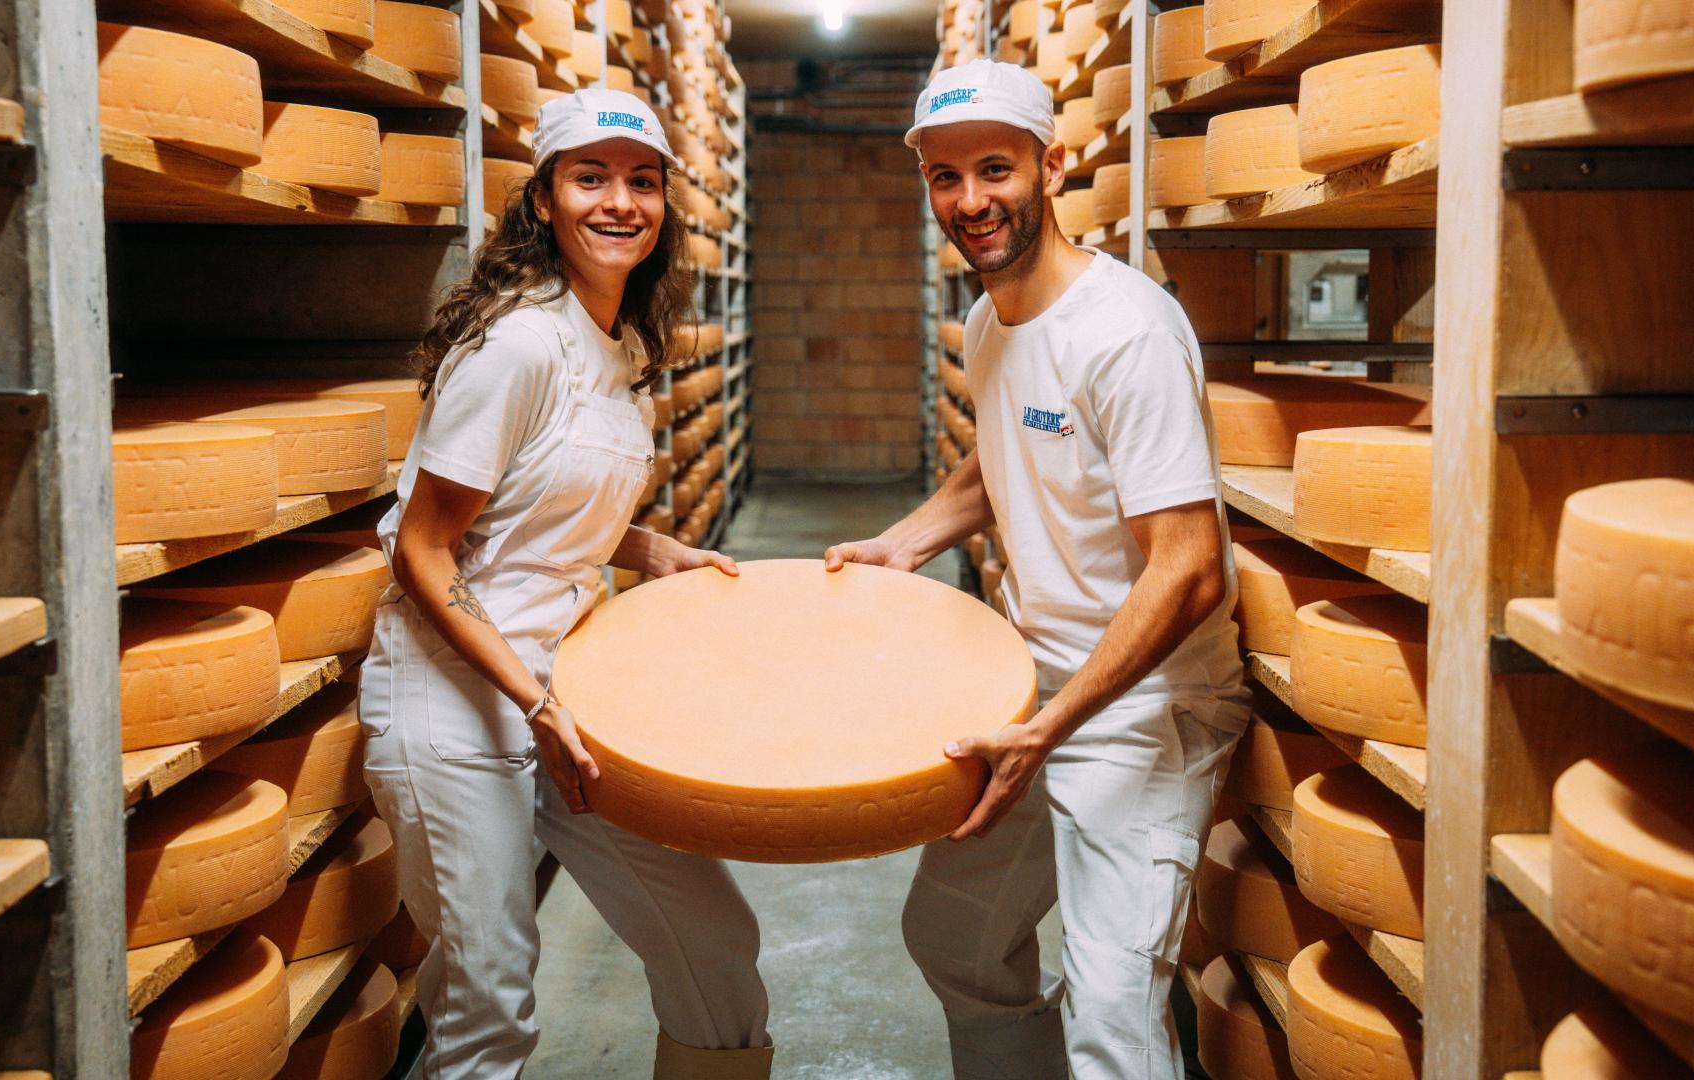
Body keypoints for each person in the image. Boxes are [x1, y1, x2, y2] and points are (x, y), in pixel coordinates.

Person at [826, 59, 1250, 1079]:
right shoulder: (988, 321)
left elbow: (1188, 568)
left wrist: (1051, 730)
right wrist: (907, 540)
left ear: (1051, 167)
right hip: (1033, 694)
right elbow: (1009, 452)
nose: (970, 201)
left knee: (1112, 1014)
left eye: (995, 170)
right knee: (955, 939)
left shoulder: (1128, 332)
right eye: (944, 177)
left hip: (1143, 710)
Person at [359, 89, 774, 1079]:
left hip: (563, 695)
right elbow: (424, 549)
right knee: (487, 1009)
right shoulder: (515, 345)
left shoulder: (619, 342)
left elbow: (539, 503)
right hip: (458, 706)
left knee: (713, 938)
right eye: (590, 178)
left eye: (641, 180)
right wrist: (530, 696)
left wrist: (653, 552)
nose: (618, 202)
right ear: (543, 198)